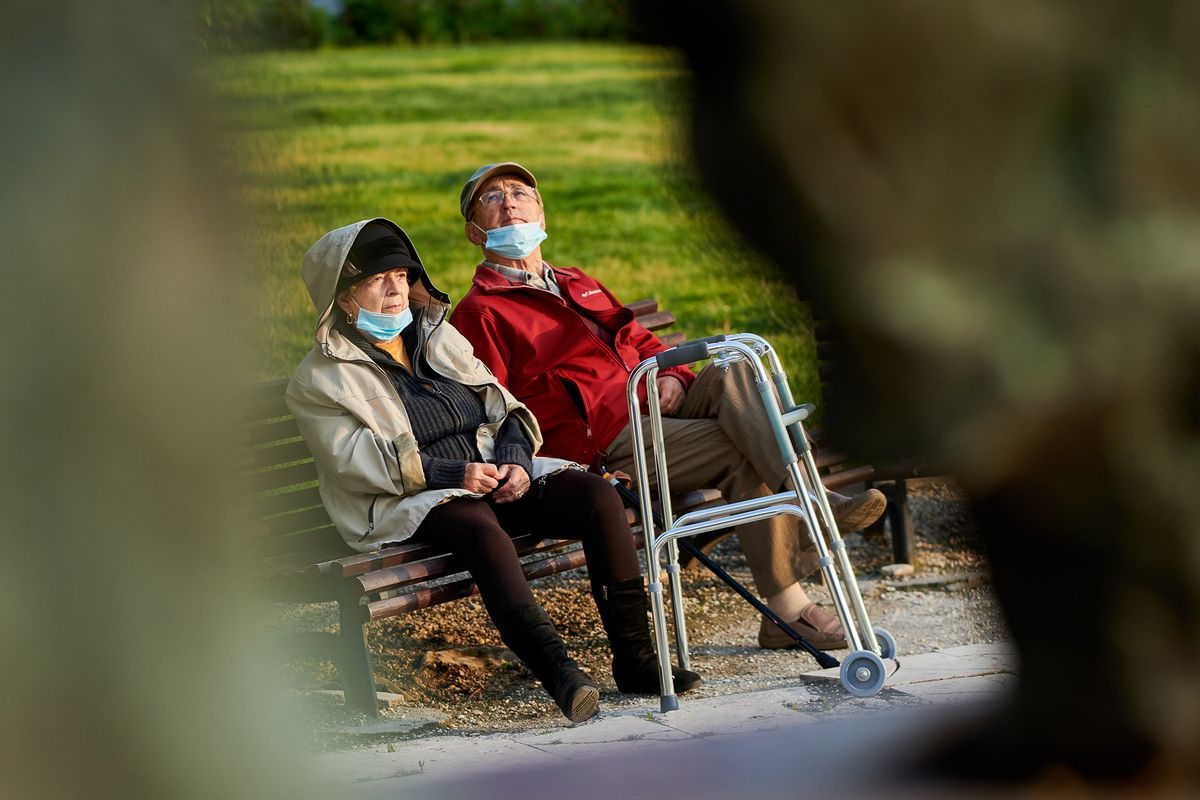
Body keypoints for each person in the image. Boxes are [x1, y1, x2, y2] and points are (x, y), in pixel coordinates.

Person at [450, 162, 888, 651]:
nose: (509, 202)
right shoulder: (481, 310)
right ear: (474, 232)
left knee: (734, 367)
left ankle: (810, 503)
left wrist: (676, 375)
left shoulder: (577, 281)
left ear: (541, 211)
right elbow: (497, 409)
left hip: (660, 404)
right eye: (492, 198)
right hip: (613, 443)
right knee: (739, 447)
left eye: (519, 191)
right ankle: (796, 586)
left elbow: (641, 339)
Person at [285, 218, 701, 722]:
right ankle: (560, 674)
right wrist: (451, 475)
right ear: (342, 298)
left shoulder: (436, 336)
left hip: (489, 475)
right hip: (408, 499)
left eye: (401, 274)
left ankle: (636, 661)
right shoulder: (318, 380)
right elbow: (354, 461)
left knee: (597, 497)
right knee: (479, 529)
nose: (396, 289)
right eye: (376, 280)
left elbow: (504, 407)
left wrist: (517, 462)